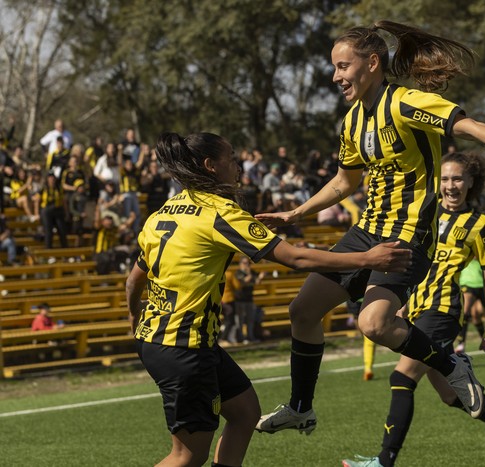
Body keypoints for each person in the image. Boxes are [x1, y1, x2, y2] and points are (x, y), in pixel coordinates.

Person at [255, 20, 485, 436]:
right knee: (302, 311)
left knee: (374, 324)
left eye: (343, 66)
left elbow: (468, 126)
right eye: (334, 67)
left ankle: (451, 363)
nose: (335, 76)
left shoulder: (405, 103)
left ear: (372, 63)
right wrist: (295, 214)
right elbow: (345, 182)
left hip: (408, 232)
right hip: (367, 230)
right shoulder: (351, 122)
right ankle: (301, 407)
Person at [125, 132, 411, 467]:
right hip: (182, 347)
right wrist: (367, 259)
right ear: (210, 166)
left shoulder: (163, 212)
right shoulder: (220, 214)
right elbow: (296, 259)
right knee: (188, 455)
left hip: (171, 340)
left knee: (245, 413)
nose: (238, 165)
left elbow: (134, 280)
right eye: (231, 157)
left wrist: (134, 317)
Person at [342, 153, 485, 467]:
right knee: (450, 396)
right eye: (445, 179)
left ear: (471, 182)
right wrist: (401, 304)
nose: (450, 185)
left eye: (457, 178)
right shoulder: (425, 214)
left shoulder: (478, 224)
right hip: (415, 308)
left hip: (443, 311)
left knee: (402, 377)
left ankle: (384, 462)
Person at [233, 257, 265, 343]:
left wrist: (261, 276)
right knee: (240, 321)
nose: (246, 265)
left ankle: (250, 337)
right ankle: (241, 338)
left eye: (248, 263)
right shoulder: (238, 273)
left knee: (250, 320)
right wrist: (249, 273)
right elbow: (245, 281)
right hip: (240, 300)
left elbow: (257, 282)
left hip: (249, 299)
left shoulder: (251, 272)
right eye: (244, 263)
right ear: (240, 264)